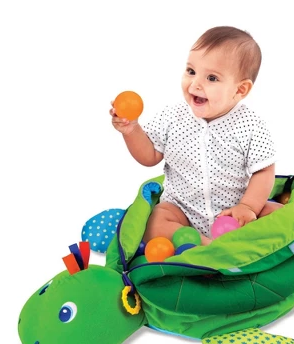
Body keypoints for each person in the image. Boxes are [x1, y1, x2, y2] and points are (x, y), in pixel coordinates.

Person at [110, 26, 283, 245]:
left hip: (234, 211)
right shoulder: (172, 116)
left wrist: (248, 206)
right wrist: (132, 130)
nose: (195, 84)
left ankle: (227, 244)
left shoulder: (250, 125)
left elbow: (264, 171)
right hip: (181, 212)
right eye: (191, 71)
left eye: (211, 78)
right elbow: (149, 156)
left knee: (279, 214)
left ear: (240, 90)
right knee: (154, 222)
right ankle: (205, 246)